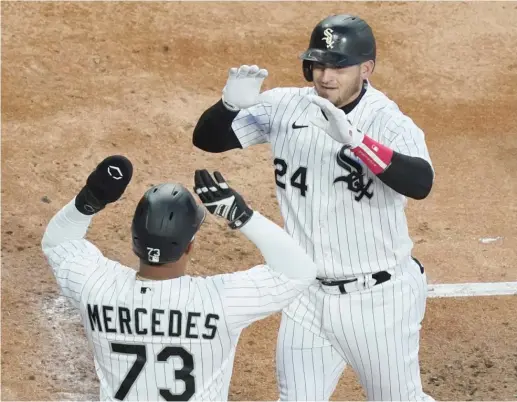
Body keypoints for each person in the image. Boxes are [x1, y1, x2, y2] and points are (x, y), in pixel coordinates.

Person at [192, 13, 435, 402]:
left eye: (339, 66)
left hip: (377, 301)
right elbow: (208, 140)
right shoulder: (286, 106)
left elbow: (421, 182)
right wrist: (227, 106)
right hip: (306, 296)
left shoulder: (387, 120)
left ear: (366, 68)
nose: (326, 76)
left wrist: (358, 142)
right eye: (319, 64)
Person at [41, 155, 319, 401]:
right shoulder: (220, 301)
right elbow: (300, 270)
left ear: (134, 240)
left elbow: (58, 243)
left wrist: (90, 200)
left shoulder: (95, 287)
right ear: (189, 245)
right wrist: (242, 216)